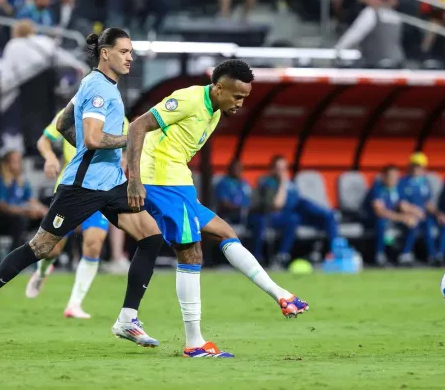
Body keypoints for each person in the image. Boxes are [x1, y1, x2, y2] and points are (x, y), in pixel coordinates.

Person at [0, 28, 165, 348]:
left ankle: (127, 319)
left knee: (151, 237)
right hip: (82, 187)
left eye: (131, 51)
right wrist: (131, 137)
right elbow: (94, 139)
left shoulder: (98, 83)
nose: (130, 57)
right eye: (124, 51)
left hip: (110, 183)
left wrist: (84, 147)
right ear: (105, 53)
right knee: (41, 248)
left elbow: (62, 124)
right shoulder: (99, 88)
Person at [124, 59, 309, 358]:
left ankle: (282, 295)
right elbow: (137, 126)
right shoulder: (188, 99)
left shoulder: (215, 109)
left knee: (224, 232)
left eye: (245, 98)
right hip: (160, 179)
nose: (240, 103)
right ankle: (194, 343)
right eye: (237, 96)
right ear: (218, 87)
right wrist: (134, 179)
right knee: (191, 252)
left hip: (178, 181)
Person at [24, 108, 131, 318]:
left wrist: (125, 159)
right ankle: (43, 270)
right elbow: (44, 140)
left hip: (102, 189)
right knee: (51, 248)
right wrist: (50, 158)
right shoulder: (72, 111)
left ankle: (74, 304)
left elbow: (128, 143)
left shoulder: (118, 115)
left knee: (94, 243)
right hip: (71, 188)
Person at [250, 155, 350, 268]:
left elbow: (297, 199)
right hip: (278, 216)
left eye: (284, 168)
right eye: (279, 168)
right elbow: (277, 205)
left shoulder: (291, 184)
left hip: (298, 210)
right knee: (294, 218)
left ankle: (335, 251)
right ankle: (282, 255)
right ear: (272, 169)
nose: (283, 172)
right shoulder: (268, 182)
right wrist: (283, 183)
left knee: (327, 216)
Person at [398, 152, 445, 266]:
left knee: (442, 224)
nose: (416, 169)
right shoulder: (403, 182)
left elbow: (428, 204)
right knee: (417, 223)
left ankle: (437, 256)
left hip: (425, 216)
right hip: (410, 215)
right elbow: (401, 204)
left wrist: (439, 214)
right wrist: (416, 211)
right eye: (414, 165)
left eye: (419, 166)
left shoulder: (425, 182)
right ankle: (405, 254)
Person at [364, 164, 418, 267]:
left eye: (396, 177)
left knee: (412, 222)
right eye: (391, 177)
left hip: (392, 220)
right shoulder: (377, 189)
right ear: (383, 176)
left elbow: (403, 205)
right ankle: (380, 255)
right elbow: (380, 212)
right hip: (373, 221)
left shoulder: (397, 189)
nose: (394, 180)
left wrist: (413, 213)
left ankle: (405, 255)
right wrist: (402, 218)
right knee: (381, 222)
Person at [0, 147, 48, 252]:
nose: (19, 164)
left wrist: (44, 211)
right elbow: (2, 206)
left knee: (45, 219)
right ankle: (14, 254)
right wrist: (25, 211)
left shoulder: (22, 181)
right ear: (6, 163)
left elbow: (31, 199)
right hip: (4, 219)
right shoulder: (1, 181)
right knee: (21, 220)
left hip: (23, 214)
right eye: (15, 161)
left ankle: (42, 253)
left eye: (20, 161)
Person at [214, 160, 251, 224]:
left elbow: (250, 198)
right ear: (230, 169)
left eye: (241, 169)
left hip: (246, 213)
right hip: (230, 214)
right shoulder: (224, 183)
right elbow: (224, 203)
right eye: (236, 168)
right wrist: (240, 209)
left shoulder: (244, 183)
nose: (239, 171)